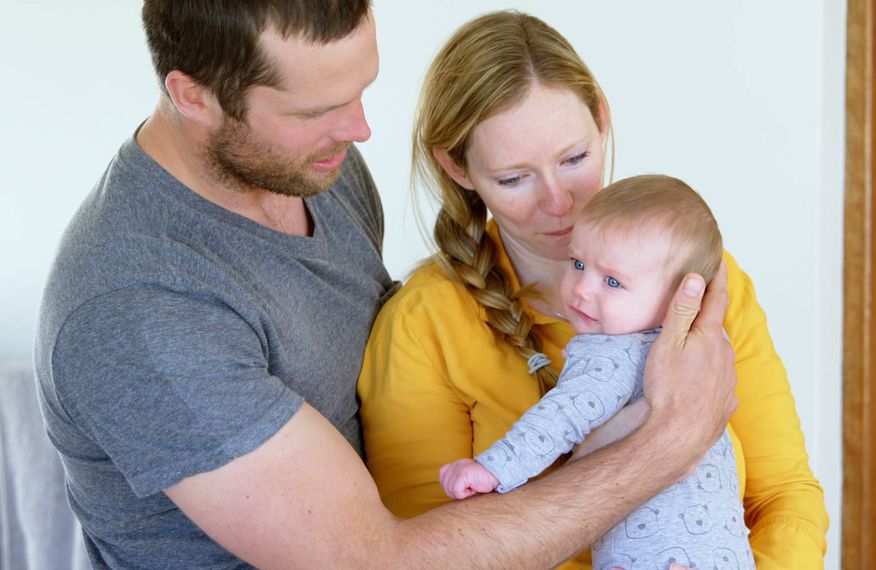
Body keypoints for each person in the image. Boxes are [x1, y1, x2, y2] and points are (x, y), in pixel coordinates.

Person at [33, 2, 737, 568]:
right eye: (315, 111)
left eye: (360, 91)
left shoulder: (318, 173)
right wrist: (667, 442)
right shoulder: (138, 308)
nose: (361, 129)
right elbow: (372, 561)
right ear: (193, 97)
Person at [357, 9, 829, 570]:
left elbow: (785, 497)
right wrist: (652, 444)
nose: (560, 202)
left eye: (574, 158)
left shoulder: (701, 282)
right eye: (514, 178)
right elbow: (431, 556)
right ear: (458, 169)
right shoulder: (423, 325)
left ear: (601, 117)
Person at [438, 175, 757, 570]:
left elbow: (560, 419)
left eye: (611, 281)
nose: (581, 290)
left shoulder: (611, 354)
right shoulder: (705, 349)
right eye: (577, 263)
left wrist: (492, 469)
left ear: (681, 296)